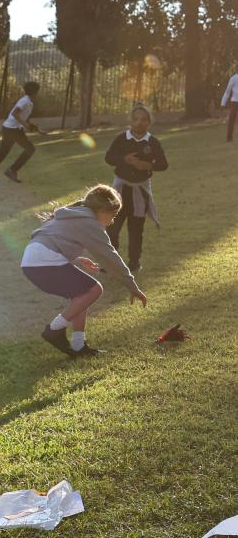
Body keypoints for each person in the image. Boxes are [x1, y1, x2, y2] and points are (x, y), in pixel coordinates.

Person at [21, 184, 147, 358]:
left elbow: (48, 237)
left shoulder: (72, 214)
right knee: (94, 289)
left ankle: (79, 345)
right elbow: (110, 257)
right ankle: (55, 329)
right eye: (113, 215)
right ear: (102, 211)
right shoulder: (89, 222)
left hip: (31, 262)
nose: (112, 221)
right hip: (45, 262)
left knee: (81, 294)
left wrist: (75, 260)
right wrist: (132, 286)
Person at [104, 104, 168, 273]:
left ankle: (134, 263)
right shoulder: (121, 139)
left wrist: (148, 165)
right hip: (119, 190)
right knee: (112, 227)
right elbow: (109, 158)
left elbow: (163, 164)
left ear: (149, 122)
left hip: (140, 191)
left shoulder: (152, 142)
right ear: (130, 121)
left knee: (136, 229)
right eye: (136, 119)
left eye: (143, 119)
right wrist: (124, 159)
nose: (139, 122)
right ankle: (110, 263)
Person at [0, 81, 43, 189]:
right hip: (13, 130)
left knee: (0, 156)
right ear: (34, 92)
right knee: (30, 149)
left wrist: (35, 128)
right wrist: (26, 125)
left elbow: (23, 118)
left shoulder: (28, 101)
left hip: (9, 129)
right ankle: (12, 170)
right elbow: (15, 113)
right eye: (38, 91)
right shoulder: (25, 101)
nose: (38, 93)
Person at [221, 70, 238, 141]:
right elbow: (227, 91)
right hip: (234, 101)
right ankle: (229, 137)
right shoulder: (234, 78)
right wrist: (223, 103)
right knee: (231, 120)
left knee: (231, 120)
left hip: (234, 102)